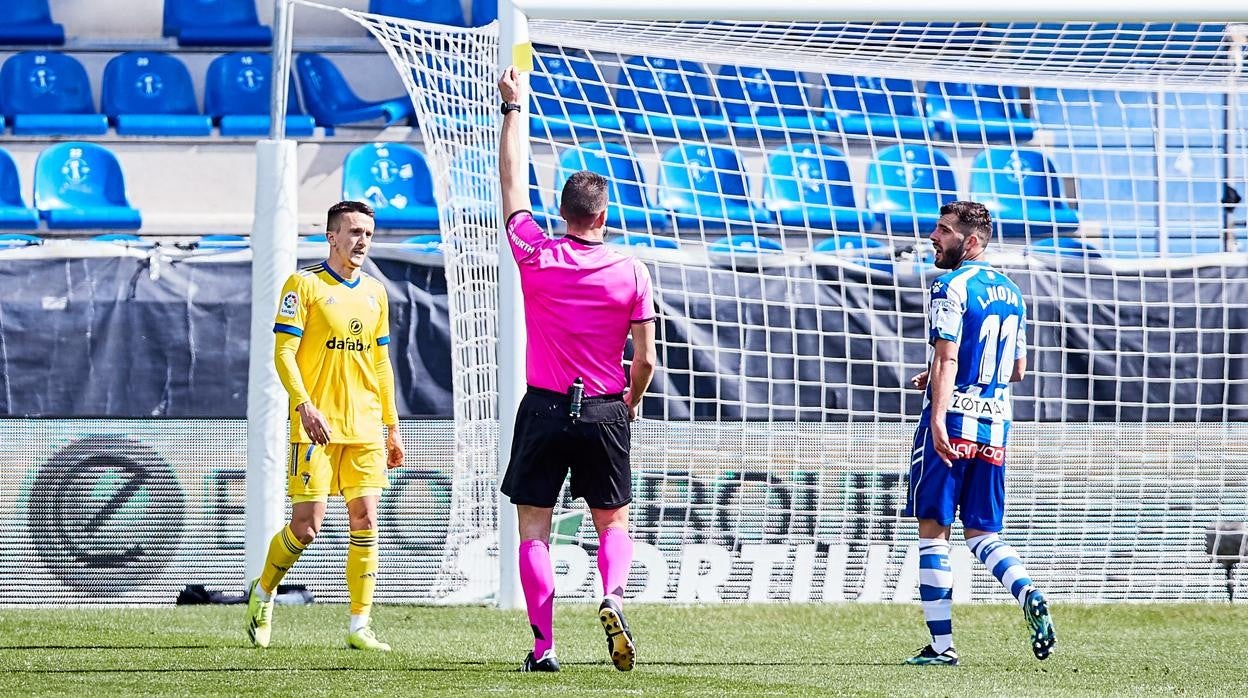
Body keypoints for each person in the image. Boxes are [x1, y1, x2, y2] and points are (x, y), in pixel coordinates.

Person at [496, 65, 658, 673]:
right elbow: (645, 358)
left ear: (562, 213)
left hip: (542, 405)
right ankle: (611, 594)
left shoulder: (535, 253)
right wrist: (630, 398)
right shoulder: (632, 270)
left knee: (534, 530)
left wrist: (514, 108)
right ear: (604, 215)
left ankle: (543, 648)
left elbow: (511, 188)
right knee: (612, 522)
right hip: (604, 407)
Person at [246, 200, 405, 652]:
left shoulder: (375, 292)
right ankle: (263, 593)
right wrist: (304, 406)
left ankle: (359, 626)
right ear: (331, 236)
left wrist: (391, 427)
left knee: (366, 519)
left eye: (368, 235)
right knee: (307, 527)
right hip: (316, 426)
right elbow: (282, 353)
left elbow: (380, 362)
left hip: (365, 427)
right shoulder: (304, 285)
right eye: (353, 232)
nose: (361, 242)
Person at [903, 201, 1056, 666]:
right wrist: (938, 376)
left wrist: (937, 415)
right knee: (983, 532)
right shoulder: (1012, 293)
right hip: (995, 424)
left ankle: (942, 646)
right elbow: (1017, 369)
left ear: (969, 242)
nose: (934, 237)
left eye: (944, 231)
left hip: (952, 425)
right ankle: (1026, 589)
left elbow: (948, 358)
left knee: (934, 532)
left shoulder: (949, 285)